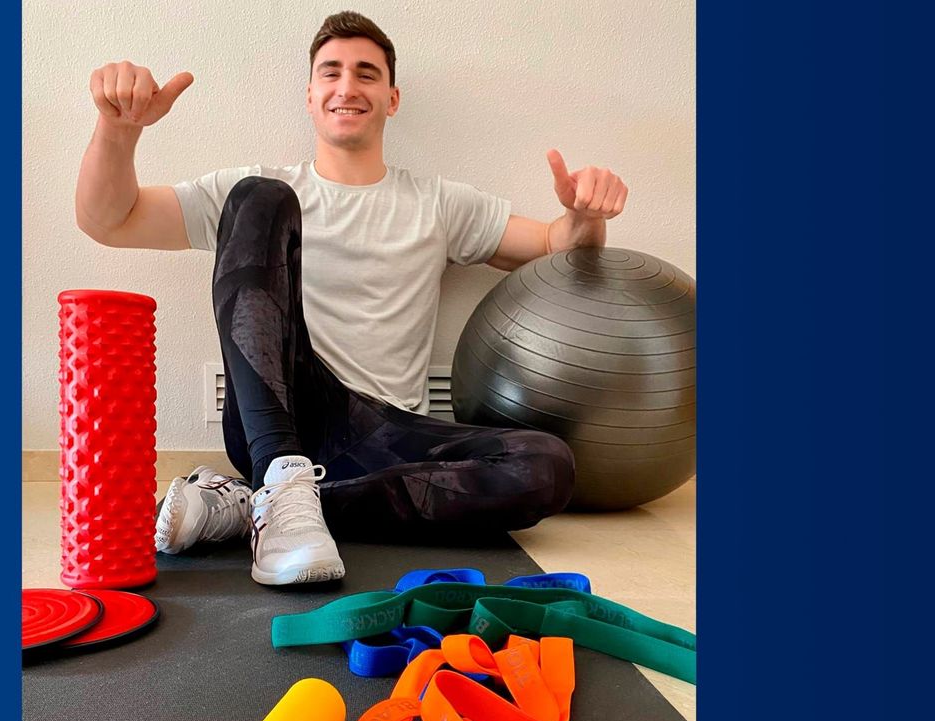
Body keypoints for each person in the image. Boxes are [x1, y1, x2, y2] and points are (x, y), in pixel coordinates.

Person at [75, 11, 628, 586]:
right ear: (310, 96)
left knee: (546, 466)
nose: (347, 86)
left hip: (389, 437)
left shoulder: (439, 202)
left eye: (366, 74)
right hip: (282, 415)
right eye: (331, 72)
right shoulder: (251, 192)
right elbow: (109, 220)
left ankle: (257, 506)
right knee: (259, 195)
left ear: (392, 98)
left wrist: (584, 215)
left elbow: (556, 247)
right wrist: (118, 129)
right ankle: (279, 477)